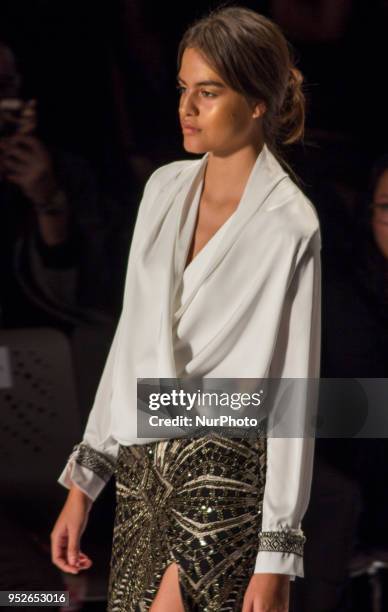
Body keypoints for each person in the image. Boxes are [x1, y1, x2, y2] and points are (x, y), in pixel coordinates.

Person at [50, 6, 322, 611]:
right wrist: (85, 480)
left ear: (257, 103)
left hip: (223, 479)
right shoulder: (163, 188)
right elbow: (130, 342)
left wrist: (277, 553)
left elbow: (292, 393)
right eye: (182, 89)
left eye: (209, 91)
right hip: (144, 477)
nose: (187, 107)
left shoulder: (290, 224)